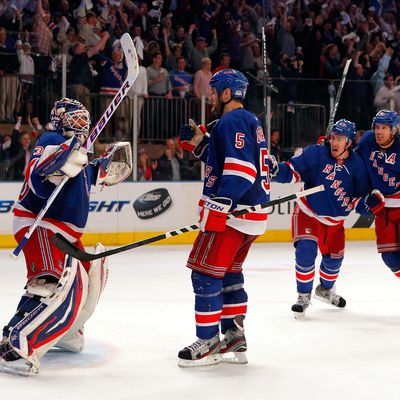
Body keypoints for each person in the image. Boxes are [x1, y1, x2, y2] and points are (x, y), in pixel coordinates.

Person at [0, 98, 132, 376]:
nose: (82, 122)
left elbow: (90, 176)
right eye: (75, 117)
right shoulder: (51, 138)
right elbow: (37, 178)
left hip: (66, 234)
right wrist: (60, 161)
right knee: (50, 282)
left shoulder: (80, 154)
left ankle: (65, 330)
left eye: (83, 117)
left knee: (88, 282)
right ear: (60, 120)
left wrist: (104, 168)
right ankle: (13, 345)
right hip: (41, 225)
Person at [177, 69, 269, 367]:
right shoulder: (247, 121)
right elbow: (227, 158)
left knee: (204, 274)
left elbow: (241, 170)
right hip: (250, 215)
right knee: (229, 274)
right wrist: (200, 143)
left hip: (233, 215)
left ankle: (208, 341)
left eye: (215, 92)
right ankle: (234, 335)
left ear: (228, 94)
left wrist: (220, 204)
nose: (212, 97)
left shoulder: (232, 120)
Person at [270, 120, 370, 318]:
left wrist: (369, 205)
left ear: (349, 142)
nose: (334, 142)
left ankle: (325, 290)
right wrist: (276, 171)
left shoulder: (357, 165)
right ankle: (303, 296)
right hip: (309, 213)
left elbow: (359, 198)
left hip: (335, 222)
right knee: (306, 251)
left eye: (339, 139)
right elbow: (293, 171)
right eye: (333, 137)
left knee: (334, 262)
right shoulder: (316, 153)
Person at [355, 110, 400, 282]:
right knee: (389, 258)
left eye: (384, 128)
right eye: (377, 127)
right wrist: (327, 149)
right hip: (382, 210)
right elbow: (351, 161)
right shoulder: (367, 141)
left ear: (394, 130)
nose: (379, 131)